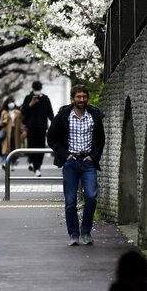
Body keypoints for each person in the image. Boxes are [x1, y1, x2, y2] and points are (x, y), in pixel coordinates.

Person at [47, 85, 105, 246]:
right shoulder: (63, 115)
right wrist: (65, 155)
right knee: (70, 200)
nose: (82, 100)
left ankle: (86, 232)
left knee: (91, 196)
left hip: (88, 163)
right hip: (70, 162)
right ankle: (73, 233)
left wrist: (93, 156)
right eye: (78, 97)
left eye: (84, 97)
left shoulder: (94, 115)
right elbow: (52, 138)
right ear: (72, 99)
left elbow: (101, 140)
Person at [20, 80, 53, 176]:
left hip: (42, 128)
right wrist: (30, 104)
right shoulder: (28, 98)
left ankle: (37, 166)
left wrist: (54, 124)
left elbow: (50, 113)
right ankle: (34, 164)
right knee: (31, 146)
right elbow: (23, 112)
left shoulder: (45, 99)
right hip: (31, 128)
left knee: (41, 147)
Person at [0, 97, 25, 169]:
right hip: (6, 132)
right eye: (9, 102)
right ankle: (4, 162)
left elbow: (20, 122)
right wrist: (5, 119)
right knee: (5, 147)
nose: (11, 104)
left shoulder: (18, 112)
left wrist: (22, 131)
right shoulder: (4, 112)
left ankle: (12, 162)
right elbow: (1, 123)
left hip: (15, 132)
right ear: (7, 103)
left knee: (14, 146)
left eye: (12, 102)